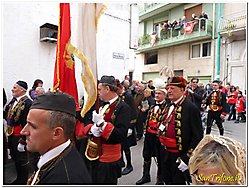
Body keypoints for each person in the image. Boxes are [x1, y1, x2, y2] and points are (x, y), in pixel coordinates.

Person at [20, 92, 92, 185]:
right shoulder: (55, 156)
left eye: (32, 126)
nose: (23, 131)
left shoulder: (64, 180)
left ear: (57, 133)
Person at [82, 75, 130, 184]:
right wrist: (91, 129)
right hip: (92, 154)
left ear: (107, 89)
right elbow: (87, 119)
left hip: (108, 159)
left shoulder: (123, 108)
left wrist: (102, 125)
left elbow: (120, 135)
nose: (98, 92)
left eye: (99, 89)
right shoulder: (98, 104)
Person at [157, 76, 203, 185]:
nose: (169, 91)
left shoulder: (191, 108)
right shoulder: (168, 105)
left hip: (179, 155)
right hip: (164, 152)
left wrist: (186, 158)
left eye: (172, 88)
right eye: (168, 88)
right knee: (167, 180)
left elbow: (197, 136)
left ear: (182, 90)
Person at [136, 81, 168, 185]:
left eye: (160, 93)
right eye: (156, 93)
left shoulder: (168, 107)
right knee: (146, 155)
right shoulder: (153, 106)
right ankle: (146, 176)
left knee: (160, 157)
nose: (157, 95)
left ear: (164, 95)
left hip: (159, 136)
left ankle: (160, 178)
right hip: (149, 134)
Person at [4, 80, 32, 184]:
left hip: (19, 136)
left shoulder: (28, 103)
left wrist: (23, 141)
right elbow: (8, 117)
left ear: (22, 90)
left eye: (15, 88)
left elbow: (27, 123)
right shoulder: (13, 101)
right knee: (15, 158)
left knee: (22, 160)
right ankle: (18, 179)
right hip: (11, 135)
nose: (12, 89)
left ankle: (23, 182)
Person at [117, 80, 137, 175]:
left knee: (126, 147)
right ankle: (121, 162)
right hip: (122, 125)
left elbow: (133, 111)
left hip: (128, 125)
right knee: (120, 145)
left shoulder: (128, 96)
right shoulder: (119, 97)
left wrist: (130, 127)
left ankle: (129, 165)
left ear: (121, 88)